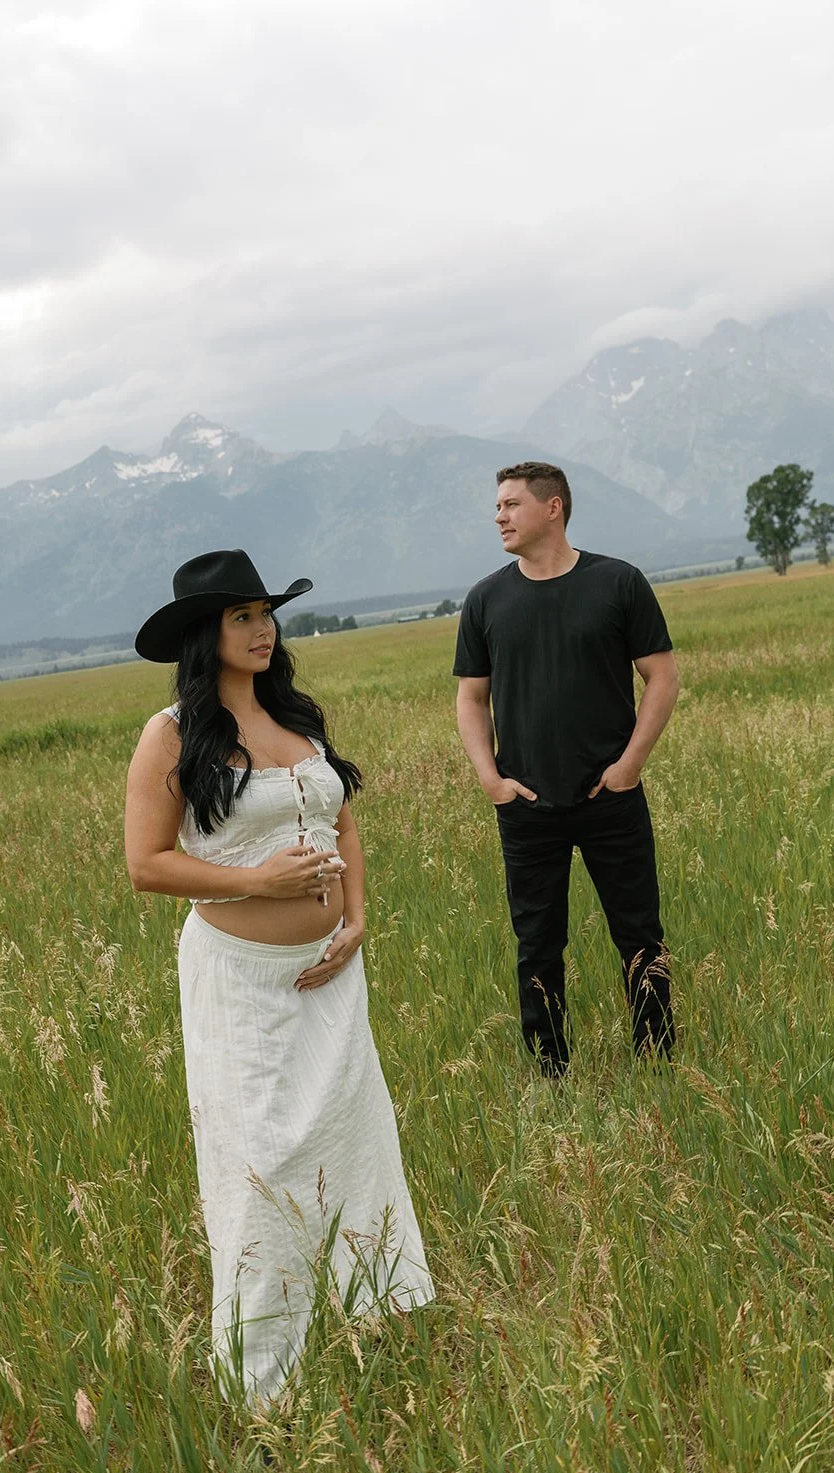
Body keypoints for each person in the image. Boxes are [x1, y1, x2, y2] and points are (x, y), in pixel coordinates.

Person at [125, 549, 434, 1403]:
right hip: (242, 983)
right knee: (260, 1166)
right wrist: (257, 883)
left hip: (331, 976)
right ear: (204, 634)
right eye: (242, 617)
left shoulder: (295, 719)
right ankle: (262, 1383)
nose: (262, 630)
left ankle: (375, 1330)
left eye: (267, 614)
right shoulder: (170, 734)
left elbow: (344, 826)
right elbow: (146, 864)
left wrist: (356, 919)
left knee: (355, 1146)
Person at [453, 463, 679, 1076]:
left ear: (553, 508)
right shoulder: (486, 599)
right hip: (525, 805)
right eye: (497, 506)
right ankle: (551, 1074)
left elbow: (662, 679)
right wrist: (490, 779)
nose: (498, 516)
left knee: (640, 935)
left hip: (611, 797)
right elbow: (471, 698)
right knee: (537, 946)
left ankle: (658, 1065)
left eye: (511, 504)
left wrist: (629, 767)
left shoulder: (618, 582)